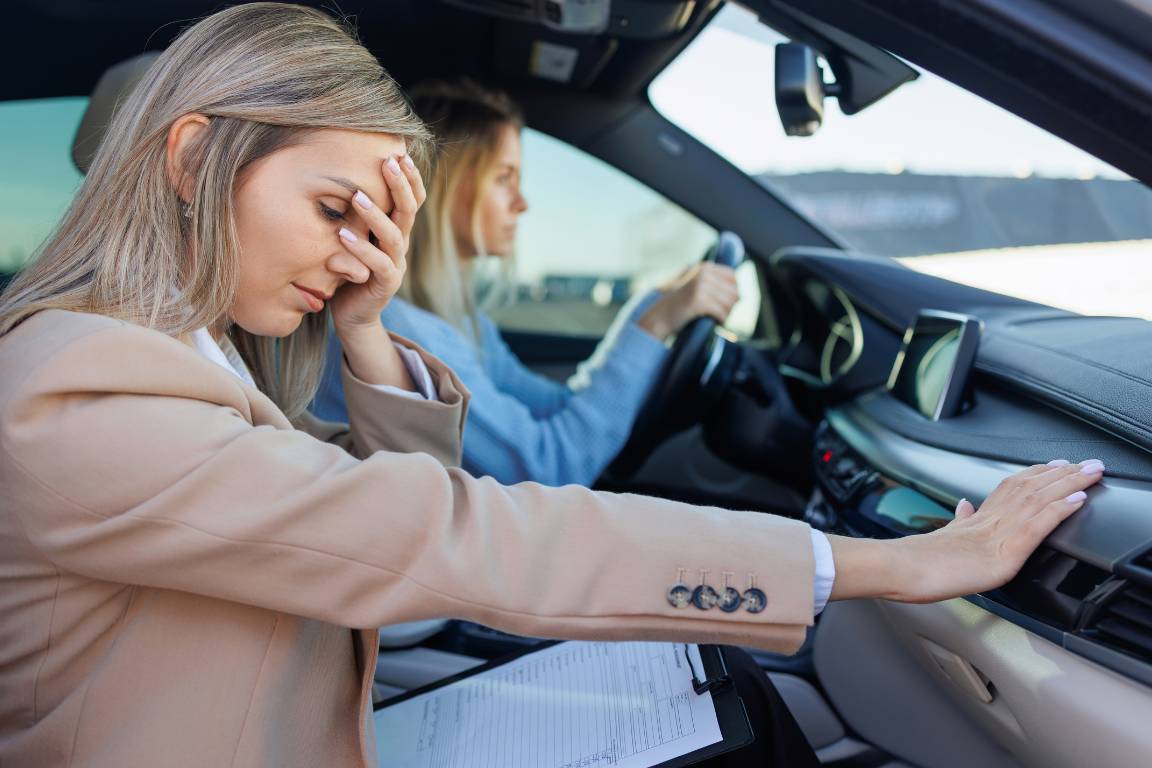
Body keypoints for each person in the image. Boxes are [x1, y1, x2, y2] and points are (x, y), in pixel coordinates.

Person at [0, 4, 1104, 767]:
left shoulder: (189, 354)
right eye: (341, 211)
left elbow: (369, 517)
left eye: (384, 226)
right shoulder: (78, 397)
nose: (359, 252)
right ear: (193, 162)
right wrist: (897, 563)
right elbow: (446, 533)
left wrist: (371, 328)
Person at [312, 78, 740, 487]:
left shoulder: (465, 321)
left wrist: (650, 313)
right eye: (504, 179)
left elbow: (555, 408)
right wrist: (652, 324)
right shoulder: (403, 330)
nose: (522, 203)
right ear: (442, 184)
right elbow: (549, 469)